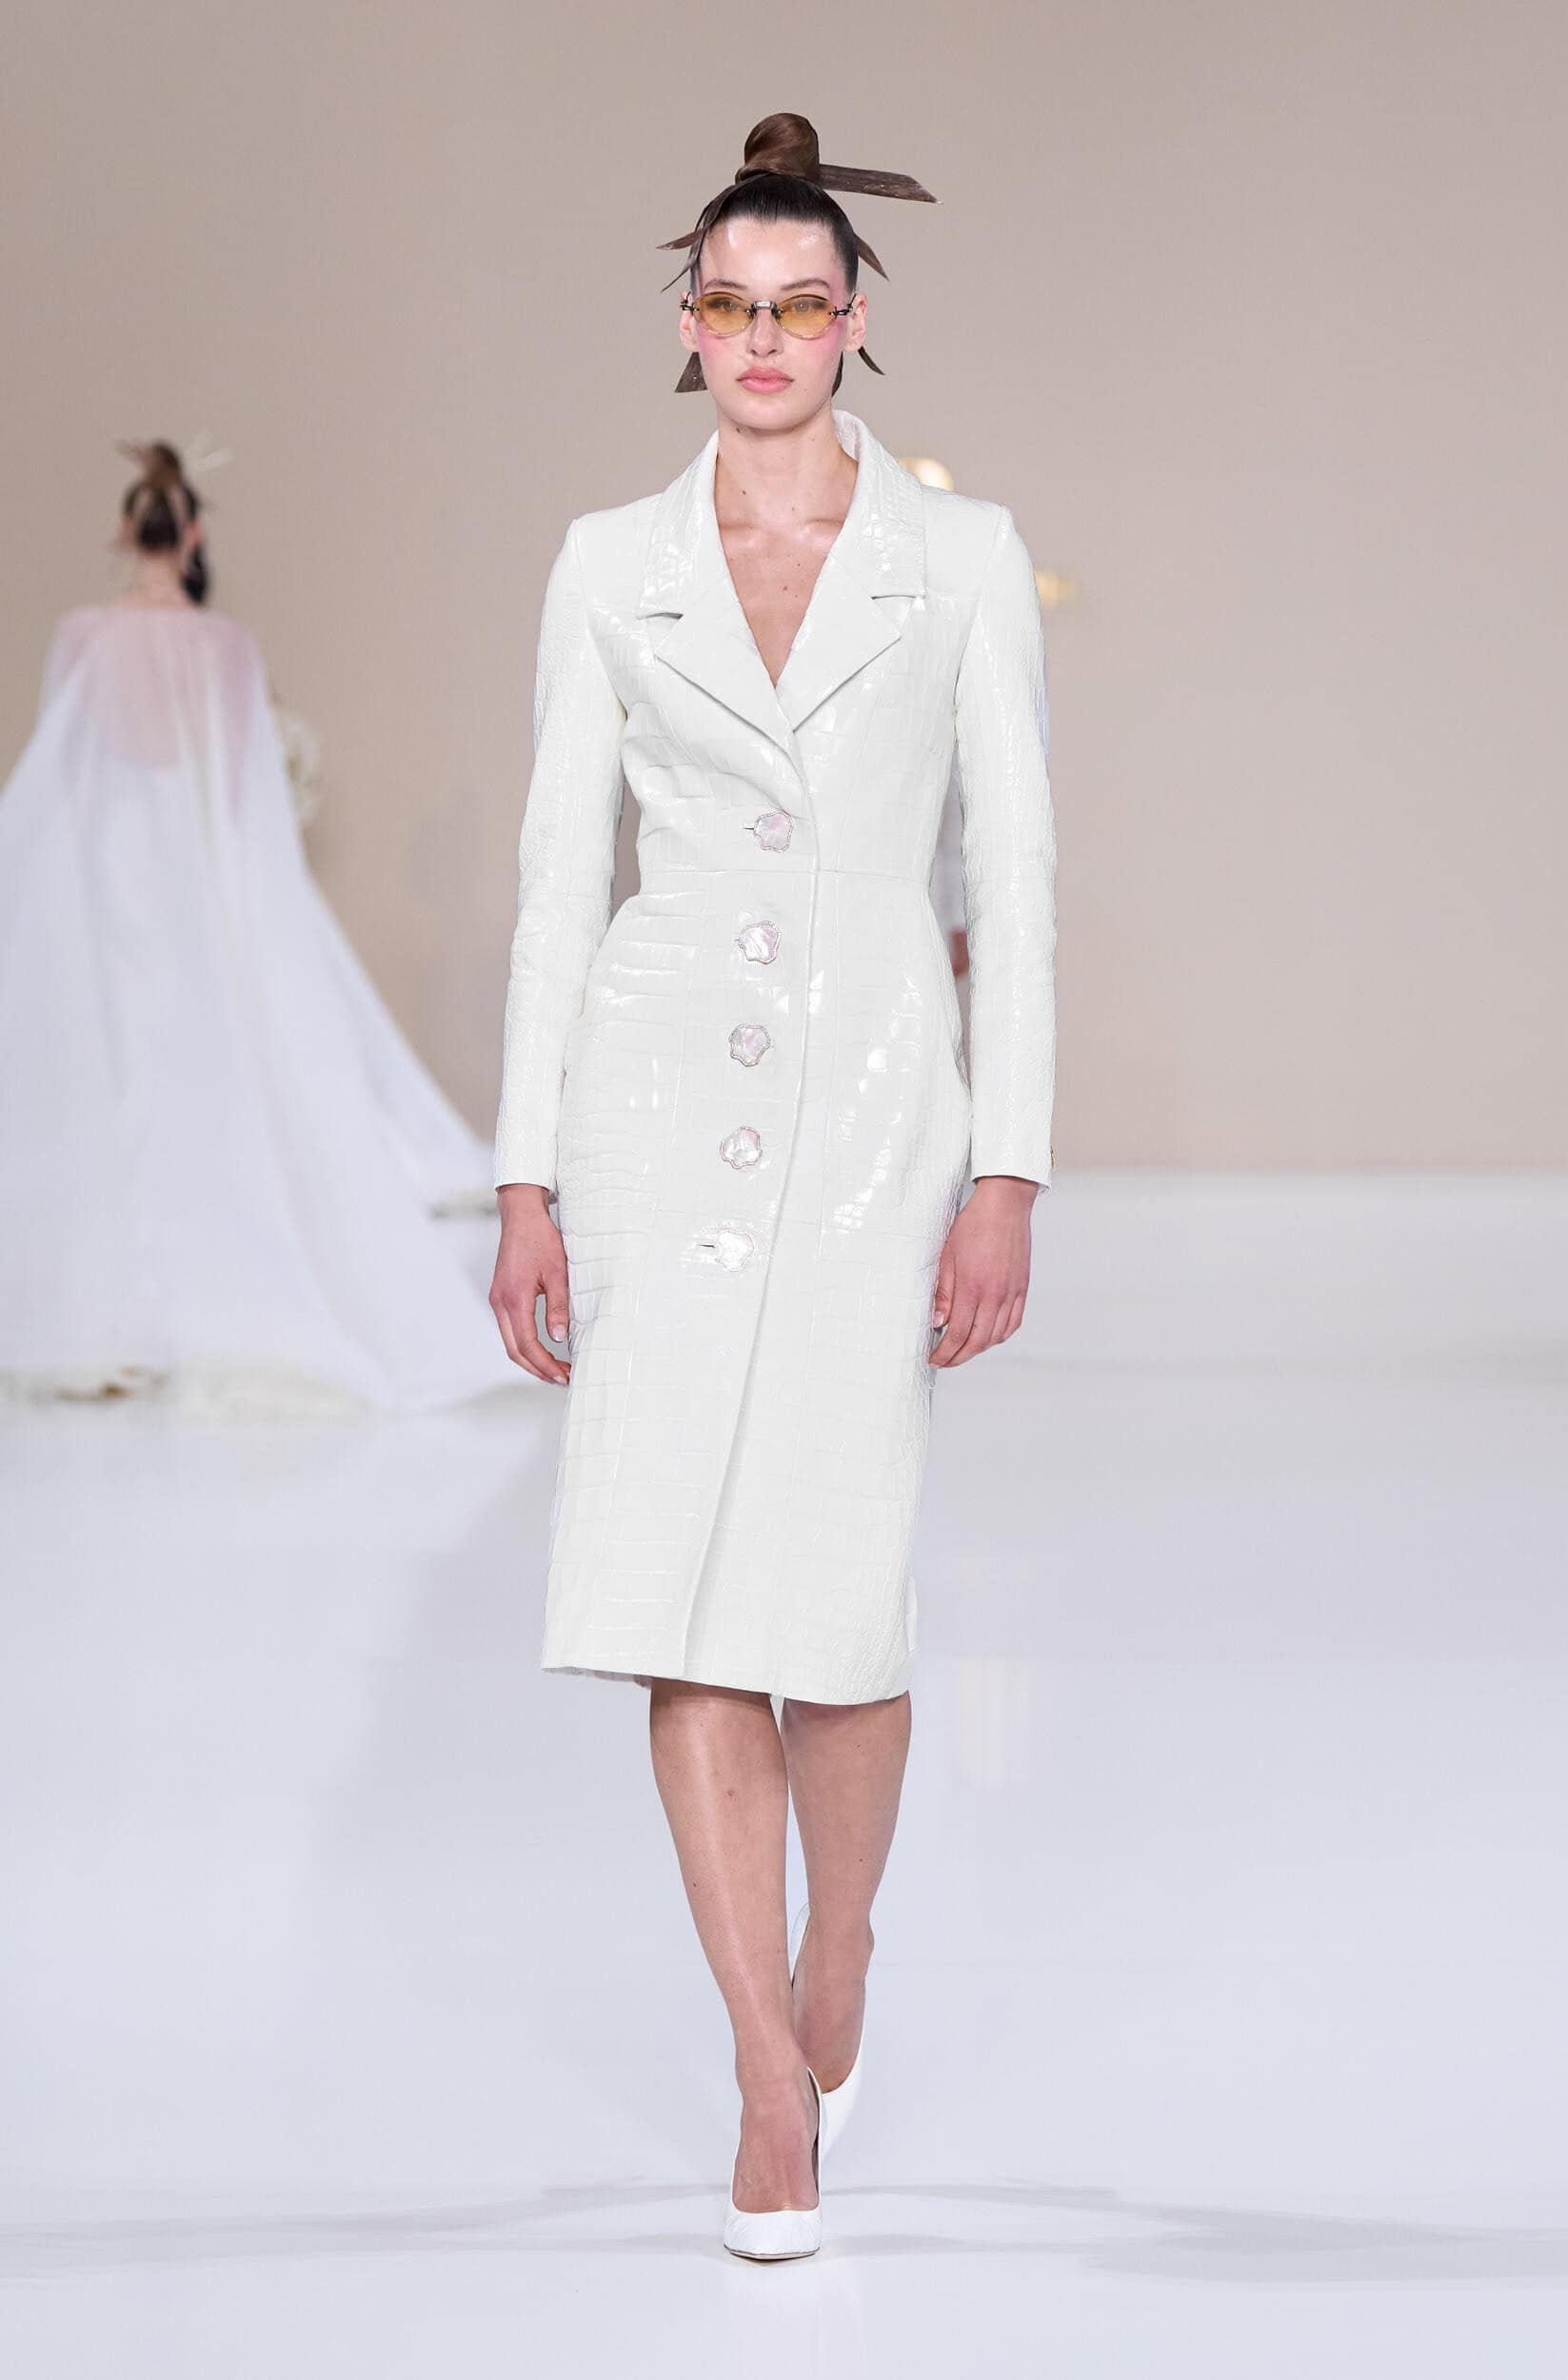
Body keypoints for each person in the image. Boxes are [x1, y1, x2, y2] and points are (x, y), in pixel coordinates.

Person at [489, 113, 1057, 2258]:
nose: (759, 339)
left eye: (795, 305)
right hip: (650, 1114)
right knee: (675, 1603)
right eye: (727, 305)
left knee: (835, 1609)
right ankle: (758, 2066)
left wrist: (1005, 1165)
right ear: (687, 322)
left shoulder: (960, 556)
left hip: (875, 1120)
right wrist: (527, 1178)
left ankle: (845, 1937)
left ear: (851, 322)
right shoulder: (603, 562)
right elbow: (562, 881)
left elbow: (1013, 872)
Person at [0, 441, 520, 1414]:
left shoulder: (83, 635)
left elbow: (67, 769)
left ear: (123, 532)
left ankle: (119, 1296)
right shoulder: (225, 646)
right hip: (194, 859)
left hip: (116, 859)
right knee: (199, 1053)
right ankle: (199, 1264)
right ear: (194, 533)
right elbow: (245, 794)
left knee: (119, 1054)